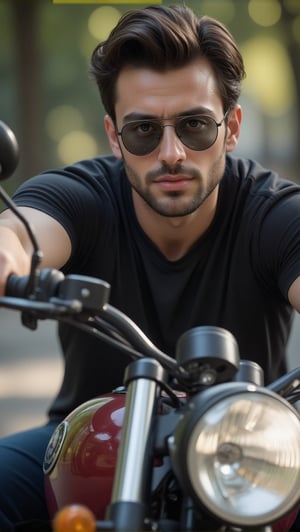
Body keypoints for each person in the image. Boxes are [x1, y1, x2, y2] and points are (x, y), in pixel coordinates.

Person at [0, 4, 299, 531]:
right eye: (143, 130)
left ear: (231, 128)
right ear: (115, 137)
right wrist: (7, 256)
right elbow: (22, 234)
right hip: (88, 444)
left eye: (195, 126)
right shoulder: (81, 196)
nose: (171, 153)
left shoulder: (274, 213)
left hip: (257, 447)